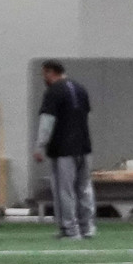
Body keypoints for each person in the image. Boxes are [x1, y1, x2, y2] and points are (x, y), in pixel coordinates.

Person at [33, 60, 96, 240]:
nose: (43, 78)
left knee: (64, 190)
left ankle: (70, 229)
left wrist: (39, 146)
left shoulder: (53, 92)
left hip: (63, 149)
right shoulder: (80, 89)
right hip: (84, 147)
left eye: (44, 74)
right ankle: (87, 227)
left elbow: (47, 122)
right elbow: (87, 117)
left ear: (50, 72)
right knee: (84, 188)